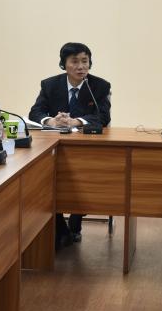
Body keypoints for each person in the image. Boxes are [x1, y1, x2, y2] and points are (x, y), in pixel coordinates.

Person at [28, 42, 111, 247]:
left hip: (87, 150)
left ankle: (75, 222)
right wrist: (51, 121)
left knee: (84, 179)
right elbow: (35, 112)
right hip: (53, 147)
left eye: (85, 61)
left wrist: (76, 121)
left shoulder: (100, 86)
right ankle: (60, 229)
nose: (81, 66)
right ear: (64, 64)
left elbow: (103, 117)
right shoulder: (50, 85)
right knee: (45, 182)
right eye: (75, 61)